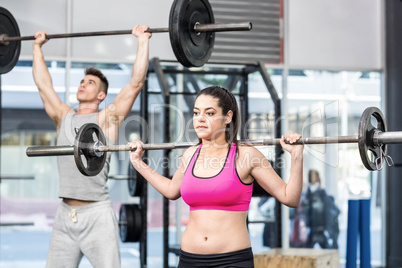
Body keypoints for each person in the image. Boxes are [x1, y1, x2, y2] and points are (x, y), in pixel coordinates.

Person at [128, 86, 304, 267]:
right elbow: (172, 190)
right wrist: (138, 163)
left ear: (228, 117)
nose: (200, 119)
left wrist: (296, 156)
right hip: (190, 260)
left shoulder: (246, 155)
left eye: (210, 113)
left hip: (231, 260)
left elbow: (290, 197)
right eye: (196, 113)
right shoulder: (190, 154)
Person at [32, 25, 151, 267]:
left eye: (90, 83)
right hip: (65, 215)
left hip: (97, 214)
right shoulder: (63, 116)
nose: (83, 84)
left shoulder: (106, 119)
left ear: (101, 96)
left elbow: (136, 84)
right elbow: (44, 86)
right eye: (82, 81)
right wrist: (36, 47)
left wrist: (142, 39)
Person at [304, 169, 339, 249]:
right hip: (313, 226)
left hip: (319, 226)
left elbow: (323, 209)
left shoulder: (320, 192)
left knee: (323, 247)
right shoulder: (308, 192)